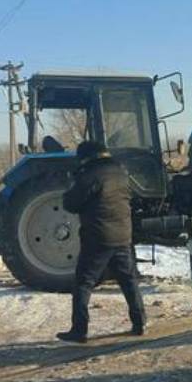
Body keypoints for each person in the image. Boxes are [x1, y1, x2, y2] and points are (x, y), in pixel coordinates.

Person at [57, 141, 145, 343]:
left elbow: (71, 203)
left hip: (98, 238)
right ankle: (139, 322)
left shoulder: (89, 174)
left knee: (83, 283)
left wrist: (71, 185)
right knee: (128, 280)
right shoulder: (121, 172)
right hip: (123, 235)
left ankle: (79, 330)